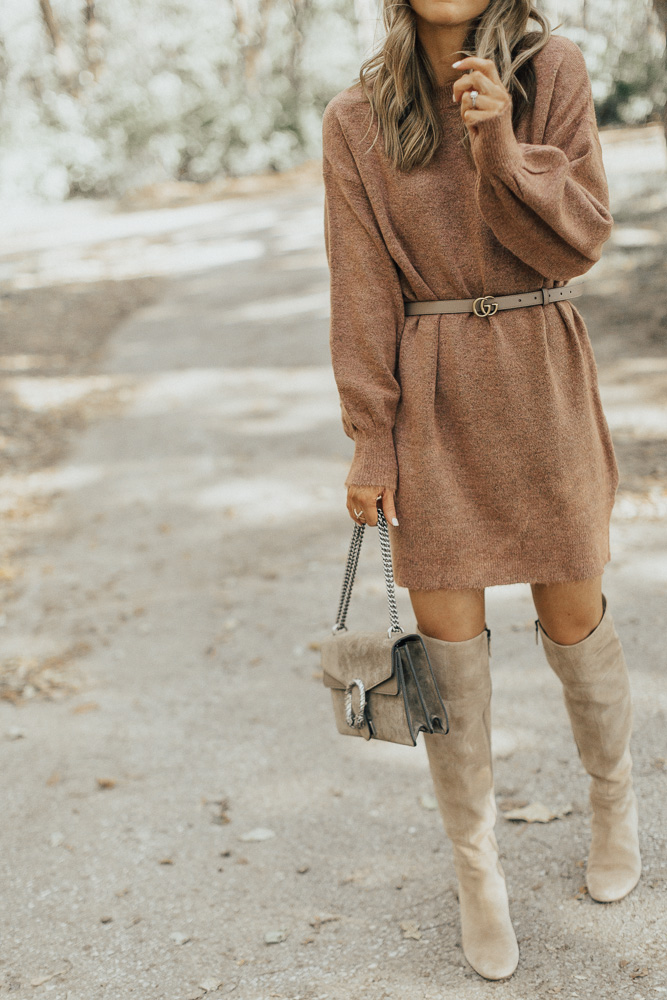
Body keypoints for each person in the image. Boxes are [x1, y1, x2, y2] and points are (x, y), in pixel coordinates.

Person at [321, 0, 641, 982]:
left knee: (573, 609)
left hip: (540, 372)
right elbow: (361, 285)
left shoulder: (555, 71)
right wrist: (371, 438)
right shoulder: (358, 116)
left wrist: (501, 143)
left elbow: (579, 239)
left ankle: (610, 799)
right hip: (435, 389)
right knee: (448, 643)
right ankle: (477, 871)